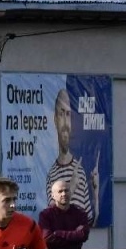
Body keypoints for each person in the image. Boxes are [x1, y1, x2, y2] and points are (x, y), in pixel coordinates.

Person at [45, 89, 97, 224]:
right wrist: (71, 188)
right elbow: (53, 218)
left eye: (68, 114)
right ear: (55, 119)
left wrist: (95, 195)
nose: (65, 122)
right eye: (61, 113)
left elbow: (89, 220)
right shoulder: (51, 175)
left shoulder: (80, 171)